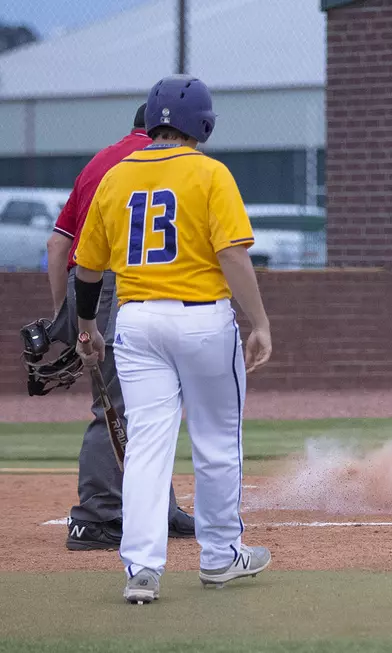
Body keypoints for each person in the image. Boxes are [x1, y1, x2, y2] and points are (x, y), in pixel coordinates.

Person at [72, 74, 273, 604]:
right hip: (201, 319)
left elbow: (87, 268)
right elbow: (232, 253)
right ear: (201, 123)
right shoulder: (209, 173)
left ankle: (141, 569)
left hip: (136, 322)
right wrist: (260, 322)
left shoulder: (115, 176)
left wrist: (87, 326)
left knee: (146, 448)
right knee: (216, 442)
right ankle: (220, 556)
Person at [44, 102, 194, 551]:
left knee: (145, 400)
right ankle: (94, 516)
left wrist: (64, 320)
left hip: (84, 285)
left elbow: (57, 245)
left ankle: (155, 507)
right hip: (120, 283)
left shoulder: (98, 162)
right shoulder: (163, 161)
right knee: (121, 401)